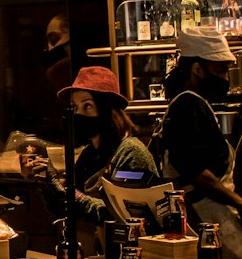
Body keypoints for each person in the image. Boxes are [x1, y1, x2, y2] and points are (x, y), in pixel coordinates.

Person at [159, 25, 242, 259]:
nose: (225, 78)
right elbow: (198, 173)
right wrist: (240, 204)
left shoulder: (190, 103)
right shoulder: (188, 106)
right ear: (196, 69)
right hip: (206, 209)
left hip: (206, 207)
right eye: (219, 70)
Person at [22, 66, 159, 224]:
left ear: (107, 109)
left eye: (87, 106)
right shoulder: (89, 155)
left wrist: (61, 189)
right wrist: (46, 184)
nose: (78, 114)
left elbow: (119, 214)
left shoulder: (131, 153)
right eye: (75, 107)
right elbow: (66, 209)